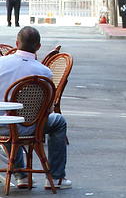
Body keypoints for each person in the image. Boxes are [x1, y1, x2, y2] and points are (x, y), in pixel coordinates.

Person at [0, 27, 71, 190]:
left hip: (1, 123)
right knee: (58, 121)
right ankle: (56, 176)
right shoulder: (43, 71)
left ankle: (20, 175)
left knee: (11, 120)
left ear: (17, 43)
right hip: (28, 126)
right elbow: (48, 109)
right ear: (38, 47)